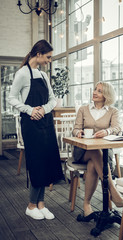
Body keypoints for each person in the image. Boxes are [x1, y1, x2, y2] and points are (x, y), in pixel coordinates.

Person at [8, 39, 64, 220]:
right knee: (37, 162)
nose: (49, 60)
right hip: (31, 125)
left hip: (46, 122)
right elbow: (11, 98)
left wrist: (43, 110)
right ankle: (31, 205)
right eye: (48, 57)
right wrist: (30, 110)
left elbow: (53, 100)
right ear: (38, 54)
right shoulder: (22, 74)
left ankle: (41, 204)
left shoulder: (43, 75)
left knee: (47, 161)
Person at [72, 81, 123, 219]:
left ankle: (86, 205)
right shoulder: (83, 109)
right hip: (82, 151)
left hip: (104, 152)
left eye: (99, 91)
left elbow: (117, 128)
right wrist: (78, 133)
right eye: (95, 89)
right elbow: (76, 128)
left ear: (106, 95)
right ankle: (113, 191)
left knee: (93, 164)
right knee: (95, 152)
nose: (95, 92)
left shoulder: (113, 111)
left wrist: (107, 132)